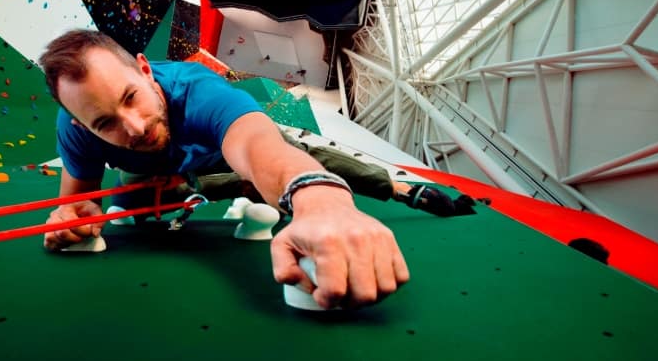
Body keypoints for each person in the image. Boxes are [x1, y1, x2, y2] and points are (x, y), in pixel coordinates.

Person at [38, 29, 473, 309]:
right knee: (130, 212)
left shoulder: (200, 90)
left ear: (147, 71)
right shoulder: (75, 130)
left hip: (225, 156)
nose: (132, 128)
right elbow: (79, 204)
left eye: (131, 97)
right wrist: (70, 220)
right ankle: (221, 187)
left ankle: (400, 189)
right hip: (167, 177)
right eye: (105, 123)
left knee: (293, 158)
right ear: (81, 125)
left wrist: (319, 199)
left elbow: (257, 145)